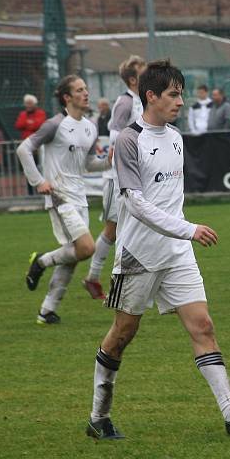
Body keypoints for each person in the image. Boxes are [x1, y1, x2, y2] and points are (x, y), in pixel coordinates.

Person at [85, 59, 230, 440]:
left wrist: (182, 235)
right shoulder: (127, 140)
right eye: (173, 94)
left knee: (203, 326)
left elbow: (169, 200)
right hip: (139, 257)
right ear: (151, 95)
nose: (181, 101)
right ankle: (98, 417)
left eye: (182, 94)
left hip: (177, 254)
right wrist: (189, 229)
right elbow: (136, 204)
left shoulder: (174, 136)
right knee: (123, 334)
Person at [16, 74, 110, 325]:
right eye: (80, 90)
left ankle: (47, 311)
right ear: (67, 97)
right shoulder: (55, 124)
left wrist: (110, 161)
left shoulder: (90, 126)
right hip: (59, 195)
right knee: (87, 248)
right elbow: (23, 149)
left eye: (86, 88)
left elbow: (88, 163)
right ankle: (42, 261)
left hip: (80, 197)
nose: (86, 93)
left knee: (76, 253)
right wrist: (38, 181)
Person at [83, 55, 147, 300]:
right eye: (143, 71)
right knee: (113, 230)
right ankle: (94, 277)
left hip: (132, 174)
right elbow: (114, 132)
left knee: (128, 228)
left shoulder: (142, 100)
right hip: (116, 177)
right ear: (133, 79)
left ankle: (110, 278)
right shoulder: (125, 101)